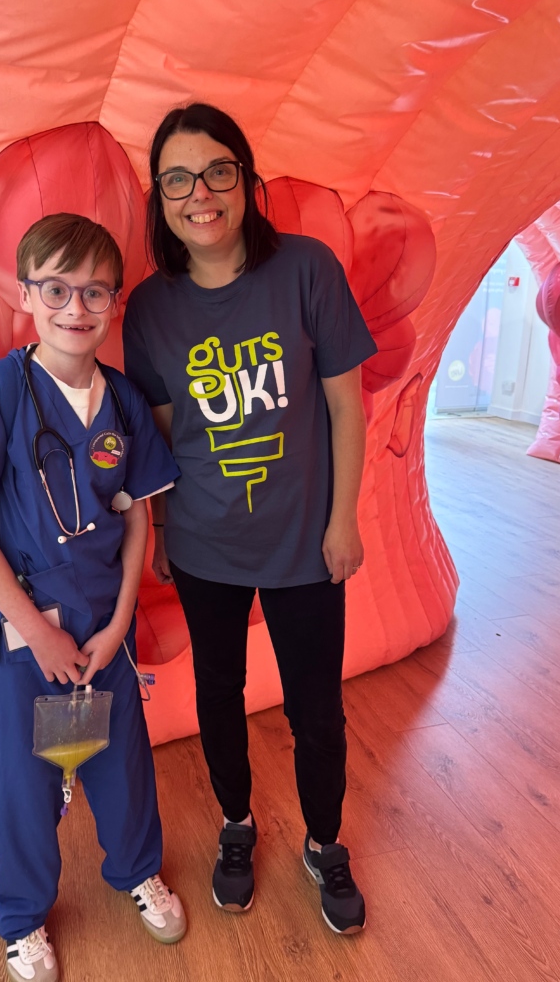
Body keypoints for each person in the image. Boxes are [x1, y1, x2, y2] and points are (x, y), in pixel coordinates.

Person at [123, 104, 377, 936]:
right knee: (219, 693)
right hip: (204, 542)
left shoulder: (307, 269)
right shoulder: (148, 310)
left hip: (307, 538)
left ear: (247, 180)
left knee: (315, 707)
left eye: (218, 171)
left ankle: (324, 842)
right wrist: (162, 533)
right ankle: (238, 826)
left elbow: (346, 407)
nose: (201, 193)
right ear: (160, 201)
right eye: (177, 180)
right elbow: (162, 439)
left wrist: (344, 520)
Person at [0, 214, 187, 982]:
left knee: (124, 765)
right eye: (56, 288)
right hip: (23, 635)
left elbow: (139, 514)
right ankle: (21, 919)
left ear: (114, 302)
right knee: (24, 780)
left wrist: (118, 625)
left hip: (102, 622)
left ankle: (136, 873)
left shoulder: (120, 398)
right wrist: (40, 636)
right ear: (26, 295)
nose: (75, 307)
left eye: (94, 292)